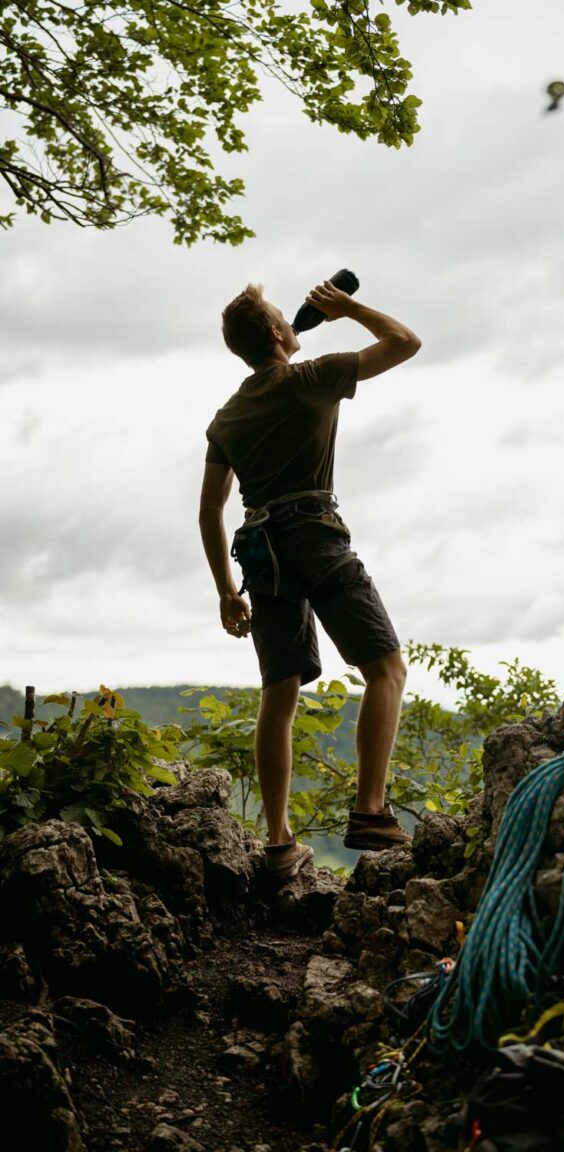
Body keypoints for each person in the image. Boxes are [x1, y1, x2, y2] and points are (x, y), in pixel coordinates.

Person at [199, 279, 421, 881]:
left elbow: (209, 510)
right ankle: (370, 813)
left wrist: (225, 588)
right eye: (282, 319)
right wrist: (346, 309)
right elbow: (405, 342)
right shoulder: (312, 377)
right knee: (387, 669)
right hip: (313, 532)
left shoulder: (228, 416)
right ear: (276, 334)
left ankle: (278, 844)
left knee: (280, 693)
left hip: (259, 551)